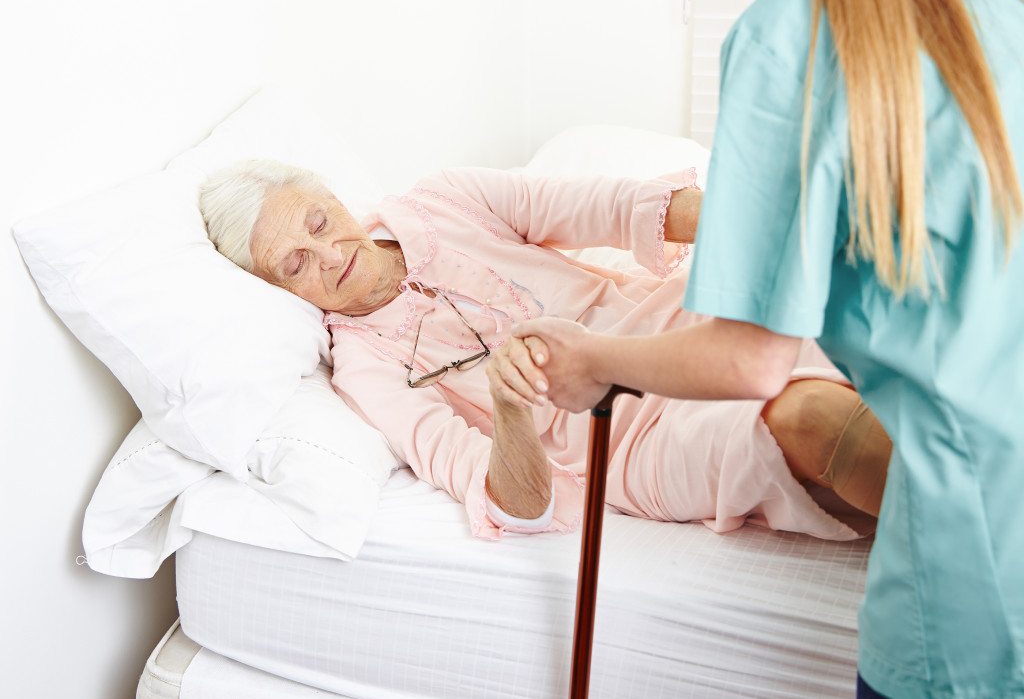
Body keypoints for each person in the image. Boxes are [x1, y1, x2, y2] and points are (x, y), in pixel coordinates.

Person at [515, 0, 1024, 699]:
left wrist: (593, 359)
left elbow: (747, 357)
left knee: (799, 414)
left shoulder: (791, 32)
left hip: (980, 579)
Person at [199, 158, 890, 545]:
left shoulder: (440, 199)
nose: (328, 255)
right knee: (810, 419)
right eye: (294, 265)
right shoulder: (364, 371)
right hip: (629, 441)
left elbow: (611, 206)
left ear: (333, 196)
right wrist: (507, 406)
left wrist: (769, 227)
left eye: (319, 223)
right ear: (278, 292)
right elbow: (516, 502)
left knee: (870, 296)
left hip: (671, 320)